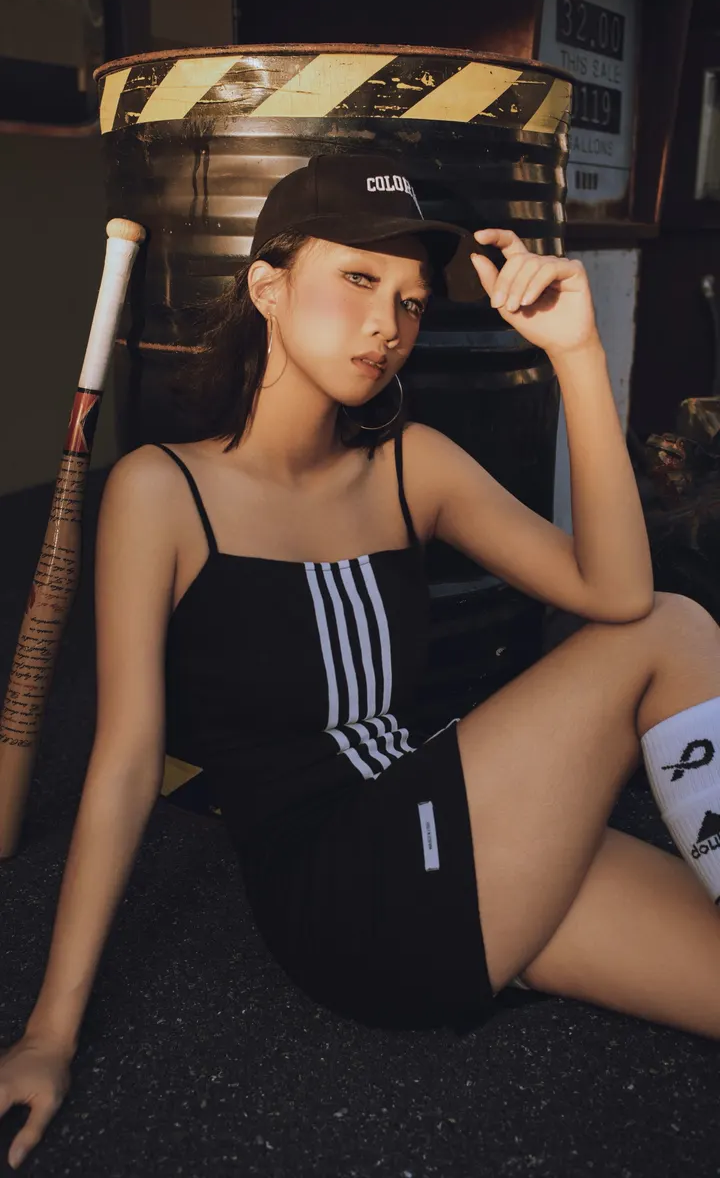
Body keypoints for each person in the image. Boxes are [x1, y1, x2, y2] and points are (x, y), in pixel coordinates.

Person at [1, 151, 720, 1170]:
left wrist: (578, 354)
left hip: (458, 832)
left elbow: (610, 590)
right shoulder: (162, 491)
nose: (388, 324)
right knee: (676, 627)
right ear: (267, 285)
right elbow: (124, 761)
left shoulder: (410, 465)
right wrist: (49, 1033)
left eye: (410, 301)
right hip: (347, 894)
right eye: (357, 279)